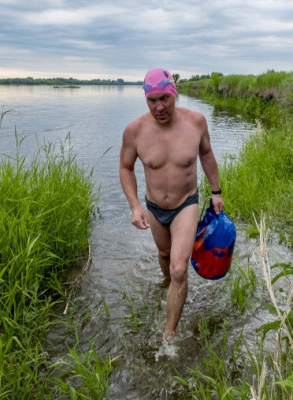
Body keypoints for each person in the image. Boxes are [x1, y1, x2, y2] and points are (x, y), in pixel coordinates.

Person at [119, 67, 224, 342]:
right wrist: (134, 206)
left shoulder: (196, 122)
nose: (159, 107)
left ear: (174, 93)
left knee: (179, 268)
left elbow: (206, 154)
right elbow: (125, 167)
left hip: (186, 203)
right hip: (154, 208)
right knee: (165, 257)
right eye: (152, 100)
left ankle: (168, 338)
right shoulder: (134, 131)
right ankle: (170, 288)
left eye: (164, 98)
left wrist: (216, 191)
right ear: (145, 99)